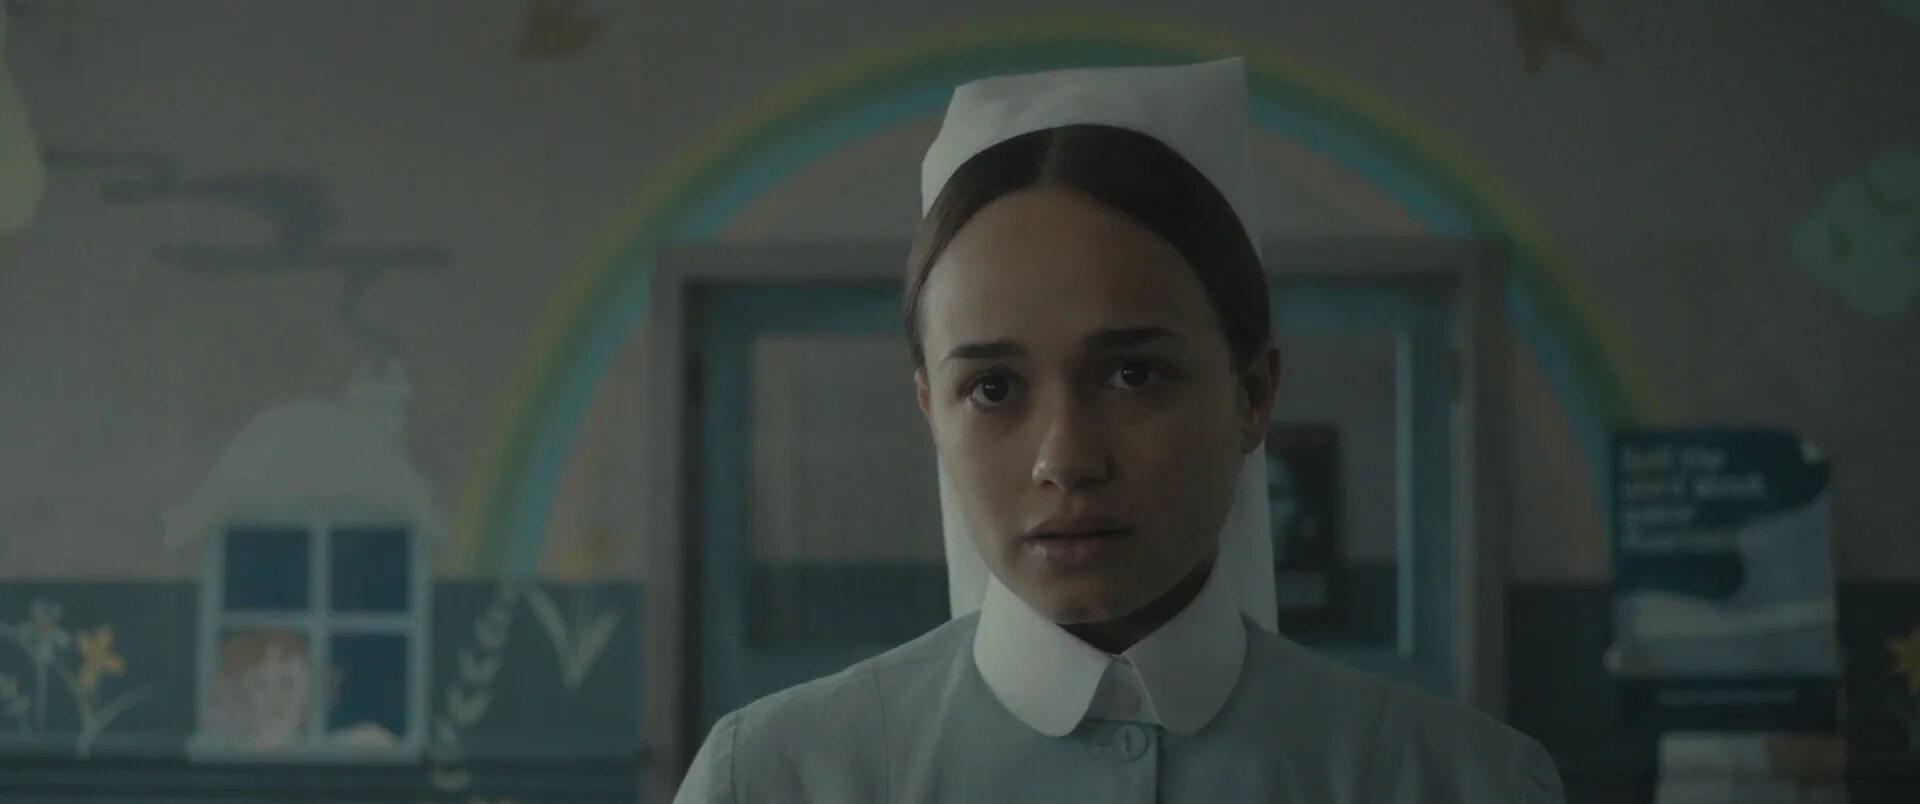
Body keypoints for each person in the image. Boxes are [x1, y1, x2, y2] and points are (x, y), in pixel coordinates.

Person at [672, 57, 1565, 803]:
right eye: (992, 388)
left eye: (1133, 374)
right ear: (930, 413)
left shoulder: (1460, 782)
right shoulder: (776, 779)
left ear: (1252, 393)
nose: (1065, 460)